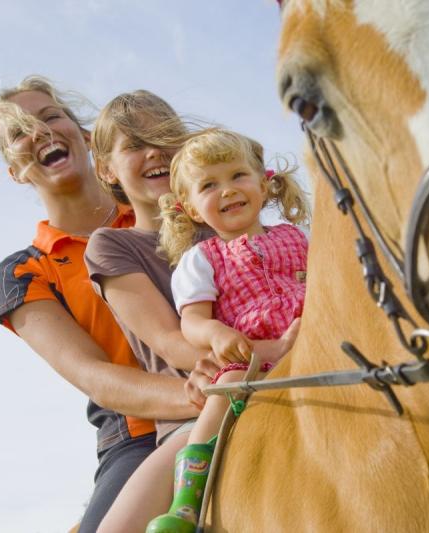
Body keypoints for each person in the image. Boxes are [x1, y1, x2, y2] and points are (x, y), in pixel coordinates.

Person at [0, 76, 203, 533]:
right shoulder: (27, 270)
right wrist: (205, 393)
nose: (40, 133)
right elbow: (95, 378)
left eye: (50, 117)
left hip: (244, 379)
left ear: (85, 137)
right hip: (143, 434)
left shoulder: (163, 208)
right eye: (20, 132)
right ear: (15, 170)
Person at [84, 97, 302, 531]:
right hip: (198, 401)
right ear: (107, 170)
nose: (154, 151)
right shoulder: (114, 246)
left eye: (165, 136)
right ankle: (185, 503)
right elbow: (171, 341)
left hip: (297, 360)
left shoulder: (236, 217)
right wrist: (271, 349)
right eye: (135, 145)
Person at [146, 127, 311, 531]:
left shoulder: (300, 237)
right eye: (208, 185)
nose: (227, 190)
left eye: (237, 176)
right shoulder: (203, 258)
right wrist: (218, 335)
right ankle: (188, 499)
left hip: (311, 336)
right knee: (226, 387)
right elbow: (194, 321)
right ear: (191, 208)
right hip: (251, 355)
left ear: (263, 183)